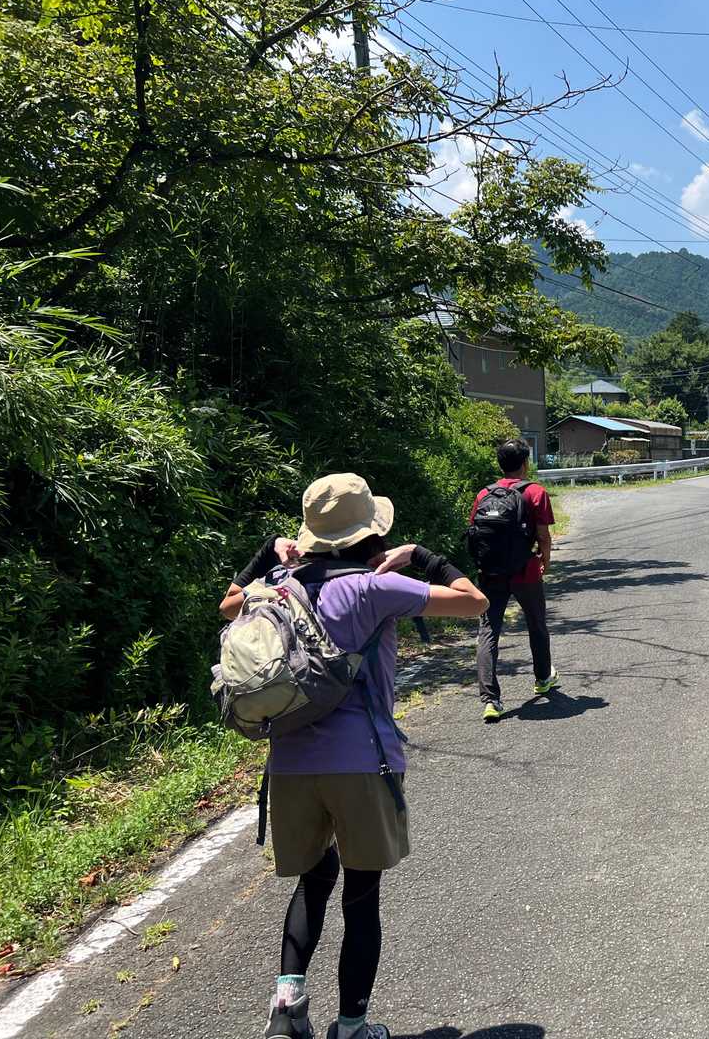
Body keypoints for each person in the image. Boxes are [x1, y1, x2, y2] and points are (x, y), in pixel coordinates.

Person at [219, 473, 488, 1039]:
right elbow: (474, 601)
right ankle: (351, 1027)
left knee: (314, 879)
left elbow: (226, 606)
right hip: (363, 762)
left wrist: (266, 554)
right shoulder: (373, 587)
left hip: (290, 764)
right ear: (369, 533)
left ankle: (287, 1005)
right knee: (362, 897)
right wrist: (421, 557)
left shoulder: (275, 587)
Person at [469, 438, 557, 721]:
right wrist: (545, 559)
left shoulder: (484, 494)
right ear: (525, 463)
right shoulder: (535, 492)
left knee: (488, 630)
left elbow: (476, 534)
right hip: (525, 572)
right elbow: (543, 535)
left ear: (500, 465)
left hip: (490, 573)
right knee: (536, 623)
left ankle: (490, 701)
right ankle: (542, 678)